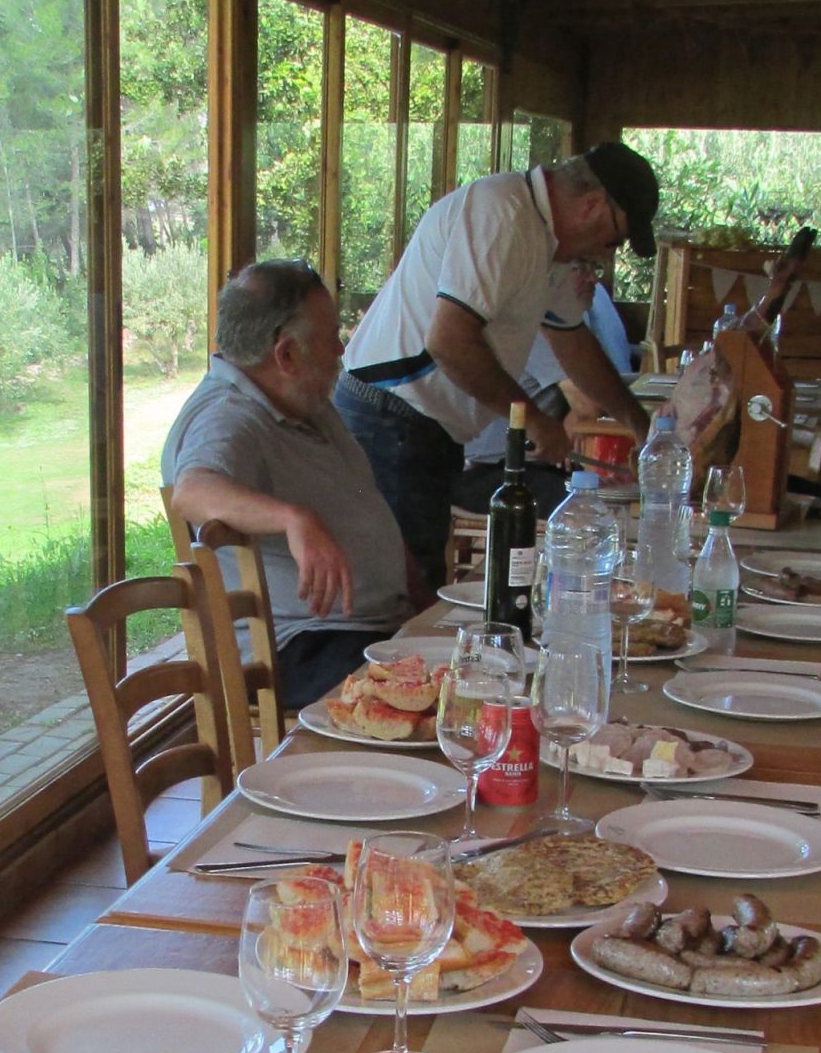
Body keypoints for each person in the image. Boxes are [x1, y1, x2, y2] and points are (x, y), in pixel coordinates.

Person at [336, 145, 659, 585]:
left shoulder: (550, 241)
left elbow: (573, 342)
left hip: (423, 424)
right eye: (614, 240)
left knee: (418, 581)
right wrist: (533, 420)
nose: (607, 256)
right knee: (399, 588)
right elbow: (449, 342)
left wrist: (638, 423)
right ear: (592, 205)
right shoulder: (503, 216)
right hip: (387, 417)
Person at [162, 259, 417, 708]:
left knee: (478, 671)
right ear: (287, 355)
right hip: (301, 646)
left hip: (363, 630)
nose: (341, 348)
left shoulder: (302, 401)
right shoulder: (227, 415)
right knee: (455, 705)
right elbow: (192, 491)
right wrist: (294, 519)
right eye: (331, 336)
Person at [452, 277, 638, 518]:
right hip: (490, 472)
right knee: (596, 508)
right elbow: (589, 404)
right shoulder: (540, 326)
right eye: (579, 267)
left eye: (594, 269)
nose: (592, 277)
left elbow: (593, 397)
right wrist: (576, 414)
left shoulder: (565, 320)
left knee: (610, 493)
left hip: (533, 465)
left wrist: (574, 414)